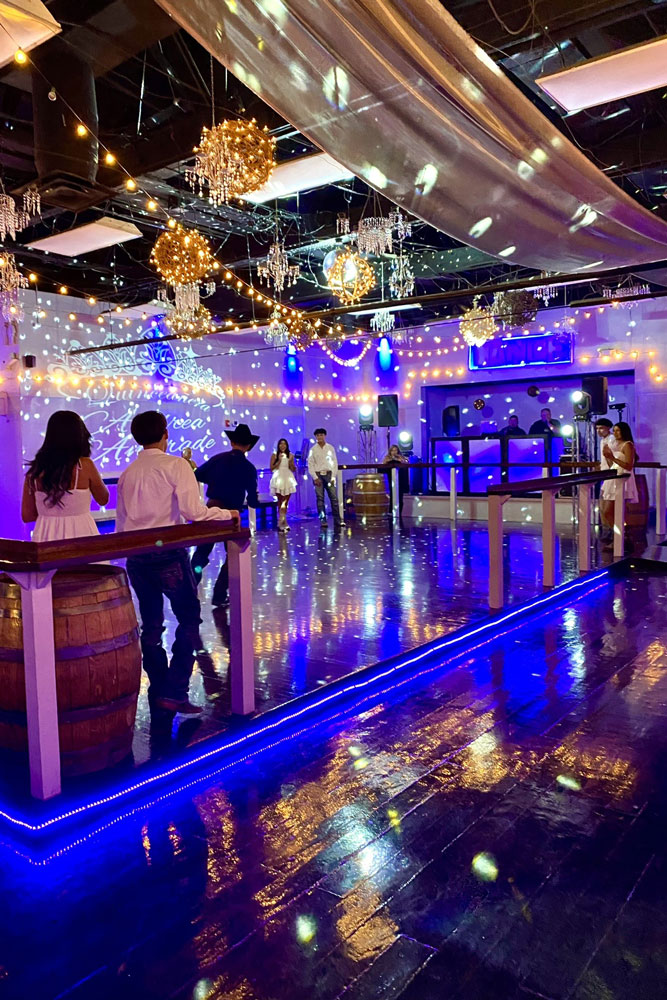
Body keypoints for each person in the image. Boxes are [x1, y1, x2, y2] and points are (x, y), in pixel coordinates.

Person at [116, 410, 237, 715]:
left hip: (136, 555)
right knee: (188, 618)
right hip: (168, 552)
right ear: (164, 434)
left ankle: (159, 690)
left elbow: (121, 525)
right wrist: (227, 514)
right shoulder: (176, 465)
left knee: (152, 624)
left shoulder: (128, 473)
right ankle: (175, 689)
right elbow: (194, 511)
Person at [191, 423, 259, 606]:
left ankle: (189, 589)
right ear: (249, 446)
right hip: (231, 516)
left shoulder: (217, 459)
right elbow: (252, 501)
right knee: (232, 556)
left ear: (231, 442)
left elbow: (197, 475)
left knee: (201, 554)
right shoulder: (248, 468)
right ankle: (219, 595)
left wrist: (215, 480)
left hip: (212, 511)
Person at [22, 410, 109, 540]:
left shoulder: (35, 471)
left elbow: (27, 515)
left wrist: (51, 515)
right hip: (82, 533)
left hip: (46, 536)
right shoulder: (85, 465)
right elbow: (103, 499)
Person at [599, 421, 639, 550]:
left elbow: (628, 465)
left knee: (611, 510)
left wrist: (613, 457)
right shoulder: (615, 444)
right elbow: (612, 465)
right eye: (614, 430)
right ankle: (622, 533)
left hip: (622, 479)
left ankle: (619, 536)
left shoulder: (628, 445)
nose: (615, 433)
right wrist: (607, 456)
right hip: (613, 477)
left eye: (618, 431)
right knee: (606, 511)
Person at [307, 427, 341, 529]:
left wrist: (333, 476)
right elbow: (310, 464)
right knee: (320, 499)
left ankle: (337, 520)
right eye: (318, 435)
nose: (320, 437)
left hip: (329, 474)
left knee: (334, 498)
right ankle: (323, 521)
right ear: (315, 437)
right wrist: (314, 477)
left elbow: (334, 463)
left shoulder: (330, 448)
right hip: (318, 475)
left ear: (325, 436)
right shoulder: (313, 450)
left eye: (321, 435)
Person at [269, 437, 297, 532]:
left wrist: (291, 463)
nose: (282, 445)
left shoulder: (291, 455)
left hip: (287, 478)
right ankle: (281, 522)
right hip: (278, 477)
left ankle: (283, 521)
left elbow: (293, 469)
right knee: (280, 502)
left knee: (285, 502)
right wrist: (279, 461)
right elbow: (271, 468)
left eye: (284, 444)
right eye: (281, 443)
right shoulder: (274, 455)